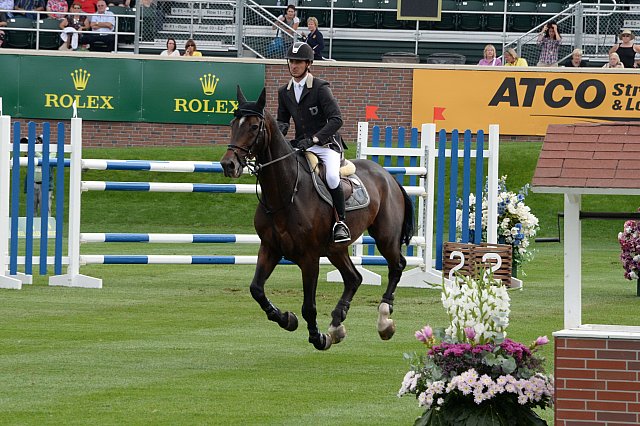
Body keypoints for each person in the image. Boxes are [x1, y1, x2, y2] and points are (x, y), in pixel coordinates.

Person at [276, 42, 351, 243]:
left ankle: (340, 222)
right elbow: (283, 122)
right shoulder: (284, 92)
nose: (294, 65)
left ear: (308, 63)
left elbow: (337, 119)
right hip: (302, 145)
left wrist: (315, 139)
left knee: (333, 178)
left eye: (298, 62)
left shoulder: (320, 87)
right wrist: (276, 136)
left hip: (326, 145)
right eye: (291, 61)